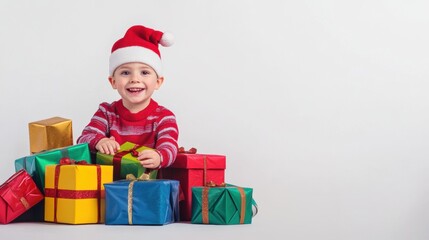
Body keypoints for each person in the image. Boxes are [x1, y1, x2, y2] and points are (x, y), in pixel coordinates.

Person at [77, 25, 178, 169]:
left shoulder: (164, 117)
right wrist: (100, 141)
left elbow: (170, 146)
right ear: (113, 82)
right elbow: (84, 138)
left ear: (158, 82)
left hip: (148, 185)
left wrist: (159, 156)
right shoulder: (106, 113)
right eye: (125, 73)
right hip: (109, 186)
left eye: (144, 72)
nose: (134, 79)